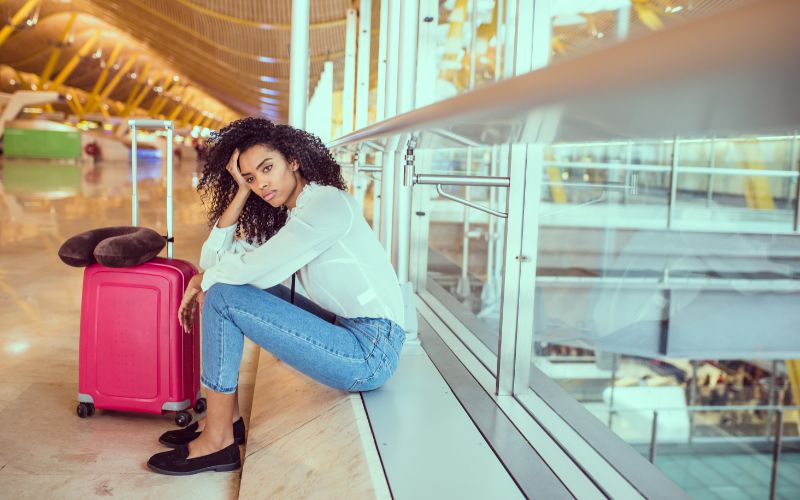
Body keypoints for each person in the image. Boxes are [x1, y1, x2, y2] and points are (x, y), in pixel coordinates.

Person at [147, 117, 407, 475]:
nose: (261, 184)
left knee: (222, 296)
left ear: (293, 160)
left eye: (267, 168)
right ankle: (228, 422)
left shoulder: (326, 205)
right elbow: (215, 261)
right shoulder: (293, 213)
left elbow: (255, 270)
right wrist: (238, 192)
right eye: (251, 178)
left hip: (369, 352)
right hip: (348, 330)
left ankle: (218, 441)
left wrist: (203, 281)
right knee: (221, 288)